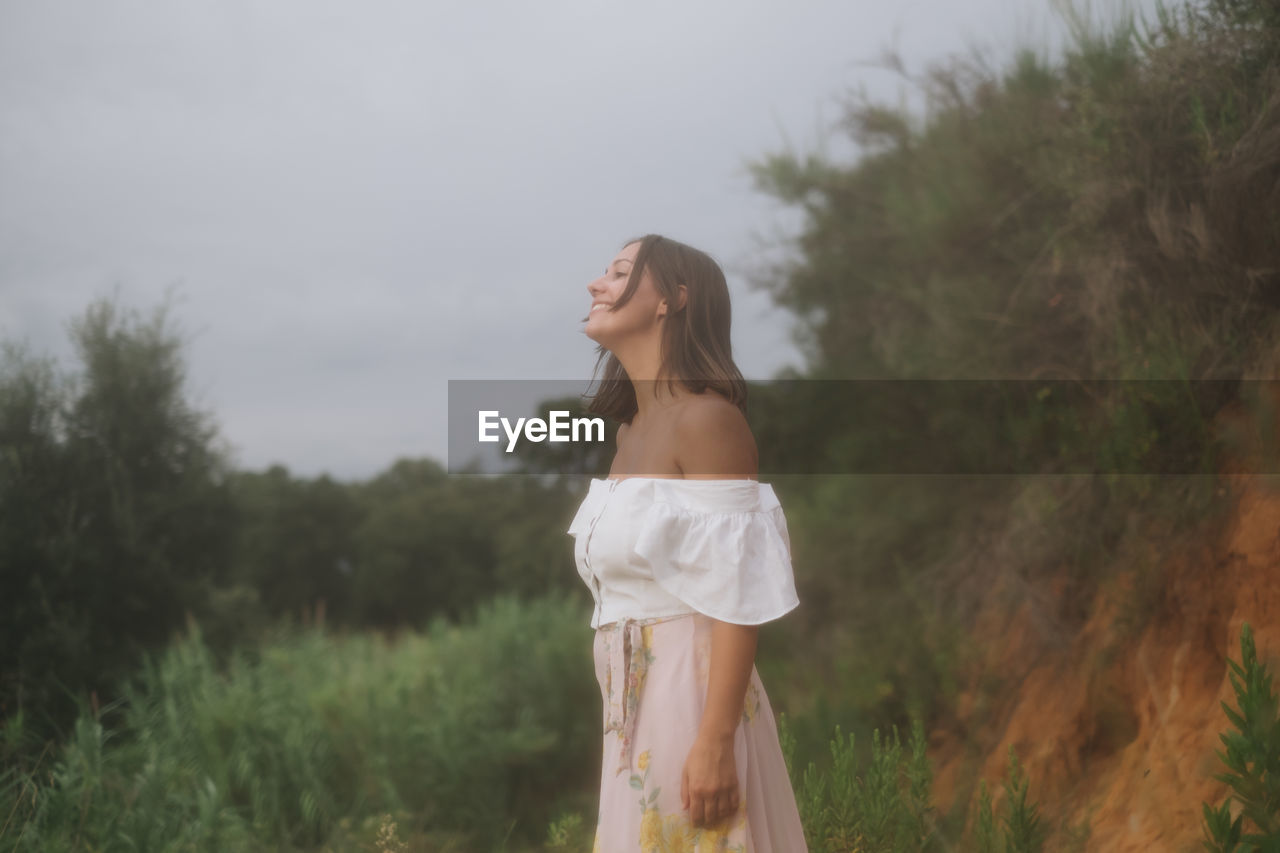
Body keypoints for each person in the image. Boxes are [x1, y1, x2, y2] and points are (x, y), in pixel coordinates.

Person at [568, 234, 810, 852]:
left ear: (672, 300)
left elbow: (737, 591)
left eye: (620, 271)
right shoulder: (630, 434)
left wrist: (715, 742)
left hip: (692, 697)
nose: (597, 284)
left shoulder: (708, 421)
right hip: (630, 711)